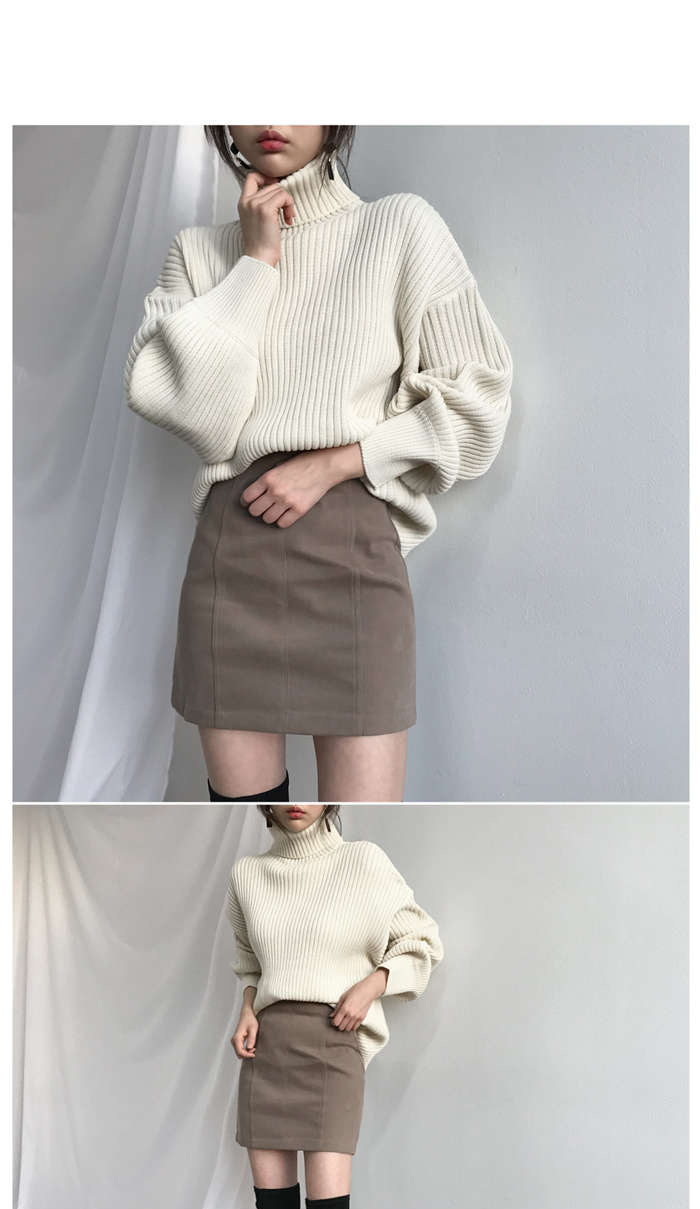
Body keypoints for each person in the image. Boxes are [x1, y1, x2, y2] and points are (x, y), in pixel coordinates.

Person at [125, 124, 513, 803]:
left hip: (353, 561)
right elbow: (197, 413)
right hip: (231, 562)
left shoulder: (399, 228)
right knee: (241, 813)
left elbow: (479, 400)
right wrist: (256, 263)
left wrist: (339, 462)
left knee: (366, 815)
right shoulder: (197, 254)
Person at [226, 800, 443, 1209]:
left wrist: (372, 984)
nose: (299, 800)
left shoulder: (363, 862)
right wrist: (247, 1009)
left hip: (331, 1047)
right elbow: (250, 965)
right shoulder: (248, 874)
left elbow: (422, 940)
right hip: (267, 1051)